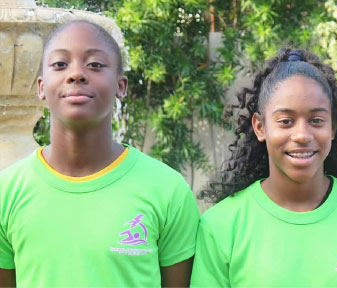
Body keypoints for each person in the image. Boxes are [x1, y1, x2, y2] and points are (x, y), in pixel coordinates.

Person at [0, 20, 198, 287]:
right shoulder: (7, 192)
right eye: (60, 64)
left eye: (94, 64)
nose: (76, 74)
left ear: (121, 86)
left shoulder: (167, 190)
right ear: (41, 87)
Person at [191, 49, 337, 287]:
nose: (302, 135)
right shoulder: (221, 225)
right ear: (260, 127)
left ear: (333, 127)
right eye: (286, 121)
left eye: (316, 121)